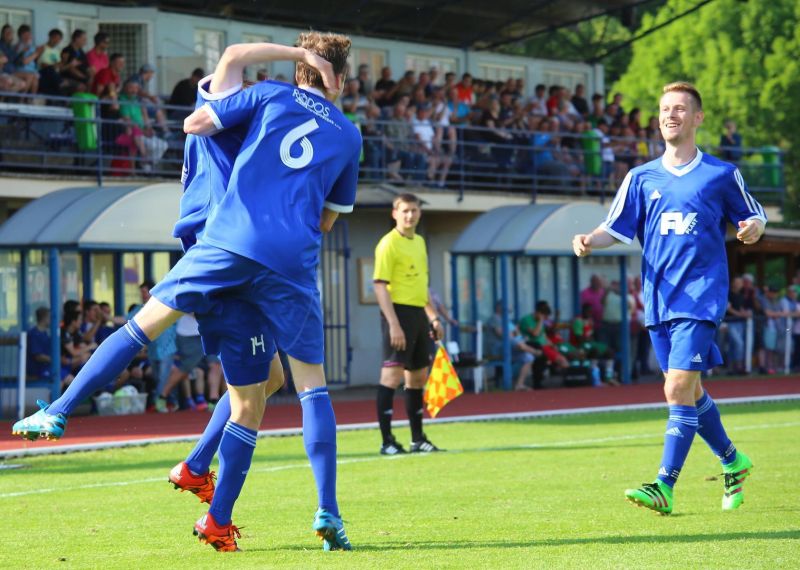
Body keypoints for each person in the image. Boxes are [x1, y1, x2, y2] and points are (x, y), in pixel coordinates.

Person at [12, 36, 356, 553]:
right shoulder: (345, 134)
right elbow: (329, 219)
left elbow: (212, 97)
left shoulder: (259, 98)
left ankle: (63, 411)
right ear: (343, 80)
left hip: (222, 245)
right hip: (281, 261)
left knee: (154, 330)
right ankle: (315, 508)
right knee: (296, 390)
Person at [572, 81, 766, 515]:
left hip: (701, 296)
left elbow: (752, 215)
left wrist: (753, 228)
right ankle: (734, 460)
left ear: (697, 118)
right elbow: (615, 228)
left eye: (679, 109)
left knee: (676, 387)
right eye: (664, 109)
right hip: (659, 299)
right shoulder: (641, 177)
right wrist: (589, 239)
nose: (670, 116)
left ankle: (664, 485)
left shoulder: (720, 173)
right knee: (689, 390)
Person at [373, 193, 444, 456]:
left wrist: (433, 317)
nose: (409, 215)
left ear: (419, 213)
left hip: (418, 313)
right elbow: (379, 286)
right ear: (395, 213)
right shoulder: (388, 244)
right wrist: (393, 324)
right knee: (391, 376)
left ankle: (417, 439)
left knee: (417, 377)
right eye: (404, 211)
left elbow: (422, 286)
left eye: (414, 210)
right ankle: (387, 441)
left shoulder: (420, 242)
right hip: (397, 314)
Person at [27, 307, 52, 380]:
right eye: (49, 317)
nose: (51, 320)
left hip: (46, 367)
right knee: (62, 376)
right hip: (38, 370)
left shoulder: (44, 333)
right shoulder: (34, 334)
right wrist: (55, 360)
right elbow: (38, 357)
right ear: (44, 318)